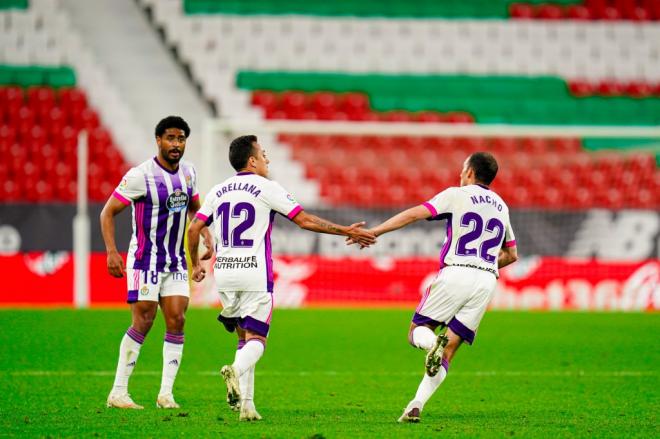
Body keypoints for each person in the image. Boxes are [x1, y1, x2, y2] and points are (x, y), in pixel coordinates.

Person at [187, 135, 376, 421]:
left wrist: (195, 264)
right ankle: (235, 371)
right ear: (252, 160)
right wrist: (346, 231)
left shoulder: (218, 190)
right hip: (254, 272)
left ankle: (247, 407)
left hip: (224, 272)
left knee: (243, 337)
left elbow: (193, 229)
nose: (267, 159)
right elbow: (305, 220)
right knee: (257, 339)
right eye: (263, 154)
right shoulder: (266, 187)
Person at [350, 152, 518, 423]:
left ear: (471, 173)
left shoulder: (457, 194)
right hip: (487, 280)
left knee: (418, 331)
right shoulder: (501, 205)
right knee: (449, 351)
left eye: (463, 169)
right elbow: (511, 255)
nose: (460, 174)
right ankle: (416, 404)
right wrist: (484, 264)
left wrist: (376, 232)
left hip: (456, 273)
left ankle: (431, 345)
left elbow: (416, 213)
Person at [100, 116, 212, 410]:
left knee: (177, 319)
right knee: (144, 321)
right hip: (145, 262)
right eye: (171, 138)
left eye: (181, 139)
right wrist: (112, 251)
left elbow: (195, 211)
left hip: (176, 262)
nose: (176, 144)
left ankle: (166, 394)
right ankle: (118, 392)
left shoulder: (189, 174)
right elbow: (107, 212)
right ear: (158, 140)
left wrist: (207, 235)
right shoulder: (141, 175)